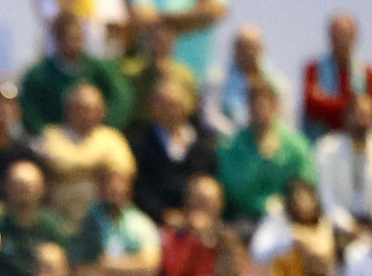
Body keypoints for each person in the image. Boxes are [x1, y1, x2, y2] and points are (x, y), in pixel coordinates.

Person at [36, 81, 135, 225]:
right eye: (79, 108)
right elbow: (57, 165)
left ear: (101, 111)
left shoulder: (113, 139)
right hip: (58, 218)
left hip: (103, 222)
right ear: (68, 109)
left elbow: (122, 173)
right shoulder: (52, 135)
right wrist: (99, 166)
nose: (86, 114)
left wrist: (72, 170)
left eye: (92, 109)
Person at [216, 82, 315, 223]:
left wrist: (287, 203)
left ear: (276, 107)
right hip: (244, 219)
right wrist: (260, 159)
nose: (260, 111)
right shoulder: (232, 147)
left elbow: (306, 183)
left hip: (289, 219)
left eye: (264, 105)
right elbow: (234, 189)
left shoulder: (297, 146)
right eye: (254, 105)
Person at [20, 13, 133, 136]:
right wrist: (44, 133)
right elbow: (28, 109)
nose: (74, 43)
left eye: (78, 37)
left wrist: (106, 127)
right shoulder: (39, 75)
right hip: (57, 140)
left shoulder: (101, 69)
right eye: (68, 37)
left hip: (96, 137)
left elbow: (122, 97)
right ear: (58, 39)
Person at [129, 76, 215, 224]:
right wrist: (164, 214)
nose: (166, 109)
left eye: (171, 103)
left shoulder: (201, 143)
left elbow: (209, 178)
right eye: (160, 103)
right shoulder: (141, 141)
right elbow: (140, 188)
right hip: (154, 221)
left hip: (198, 222)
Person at [316, 94, 372, 232]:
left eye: (366, 115)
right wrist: (348, 225)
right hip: (337, 225)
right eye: (356, 114)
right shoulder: (327, 149)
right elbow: (327, 196)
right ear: (346, 117)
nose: (360, 120)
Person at [302, 13, 372, 140]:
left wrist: (329, 102)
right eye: (337, 34)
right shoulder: (314, 69)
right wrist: (353, 107)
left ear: (355, 38)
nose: (342, 39)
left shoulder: (367, 73)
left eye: (347, 34)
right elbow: (312, 105)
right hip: (323, 139)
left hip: (359, 141)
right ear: (330, 37)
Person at [205, 24, 286, 140]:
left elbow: (284, 119)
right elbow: (210, 116)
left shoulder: (277, 83)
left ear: (262, 49)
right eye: (243, 47)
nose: (249, 52)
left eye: (253, 47)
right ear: (234, 49)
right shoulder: (217, 79)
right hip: (227, 142)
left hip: (267, 143)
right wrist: (239, 138)